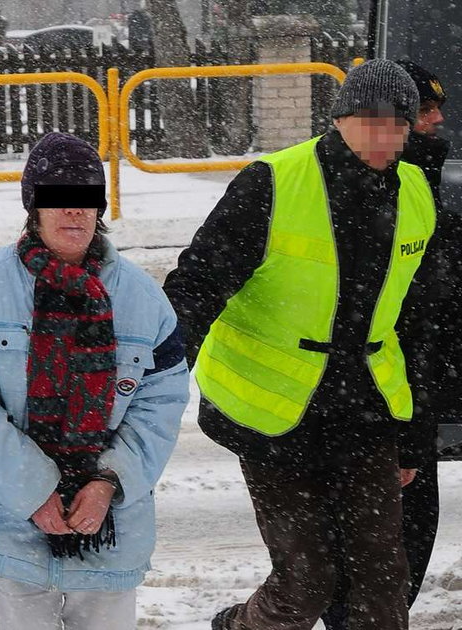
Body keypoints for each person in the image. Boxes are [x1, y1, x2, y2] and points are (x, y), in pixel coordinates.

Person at [163, 59, 446, 630]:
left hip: (364, 408)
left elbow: (419, 325)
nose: (383, 135)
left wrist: (415, 438)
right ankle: (238, 626)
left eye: (397, 122)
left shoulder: (417, 192)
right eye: (370, 119)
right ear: (340, 118)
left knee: (383, 582)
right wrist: (155, 382)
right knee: (308, 579)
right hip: (271, 410)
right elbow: (195, 287)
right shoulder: (273, 182)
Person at [0, 132, 188, 630]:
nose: (74, 212)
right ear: (33, 206)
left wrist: (105, 485)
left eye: (86, 198)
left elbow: (161, 406)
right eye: (59, 198)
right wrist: (34, 491)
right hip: (11, 514)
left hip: (110, 521)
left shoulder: (143, 298)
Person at [321, 59, 452, 630]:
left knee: (386, 580)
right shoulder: (357, 194)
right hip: (360, 411)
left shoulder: (423, 195)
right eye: (425, 111)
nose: (438, 119)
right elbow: (407, 328)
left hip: (404, 410)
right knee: (360, 580)